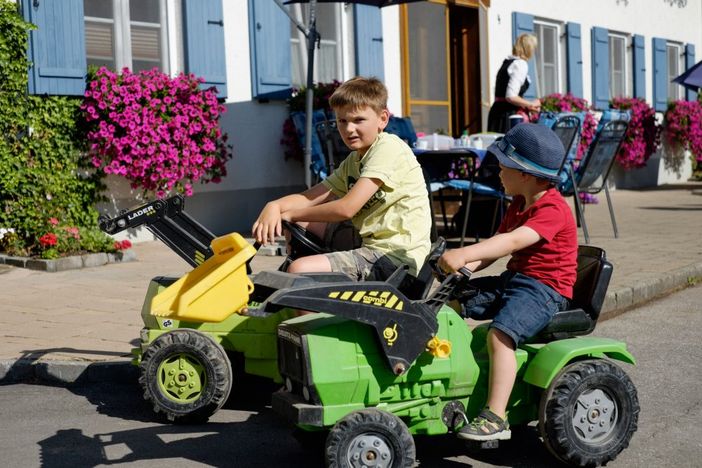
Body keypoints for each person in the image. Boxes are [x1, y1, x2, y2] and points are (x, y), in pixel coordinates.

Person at [438, 123, 577, 441]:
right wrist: (464, 269)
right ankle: (453, 375)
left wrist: (463, 252)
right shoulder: (518, 203)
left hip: (545, 290)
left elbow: (512, 242)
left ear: (524, 173)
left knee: (501, 335)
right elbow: (497, 243)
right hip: (515, 280)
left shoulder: (553, 209)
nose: (498, 173)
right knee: (450, 303)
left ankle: (494, 417)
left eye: (502, 167)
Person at [252, 76, 432, 281]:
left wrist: (289, 214)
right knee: (301, 222)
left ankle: (310, 305)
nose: (348, 129)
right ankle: (312, 286)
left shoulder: (389, 148)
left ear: (383, 119)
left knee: (299, 270)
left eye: (358, 120)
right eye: (342, 121)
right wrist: (274, 206)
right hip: (371, 246)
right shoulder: (353, 161)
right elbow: (310, 198)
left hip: (396, 260)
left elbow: (347, 208)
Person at [487, 33, 541, 133]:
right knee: (509, 147)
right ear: (529, 49)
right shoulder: (520, 64)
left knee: (496, 146)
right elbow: (511, 96)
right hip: (509, 116)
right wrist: (531, 105)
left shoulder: (507, 62)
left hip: (497, 113)